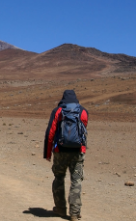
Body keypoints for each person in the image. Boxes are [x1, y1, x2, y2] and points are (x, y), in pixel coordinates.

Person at [44, 90, 88, 221]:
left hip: (60, 151)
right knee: (76, 180)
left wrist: (47, 153)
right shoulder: (82, 111)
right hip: (77, 151)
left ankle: (61, 209)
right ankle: (75, 213)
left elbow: (51, 132)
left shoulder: (58, 110)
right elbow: (83, 130)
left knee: (58, 178)